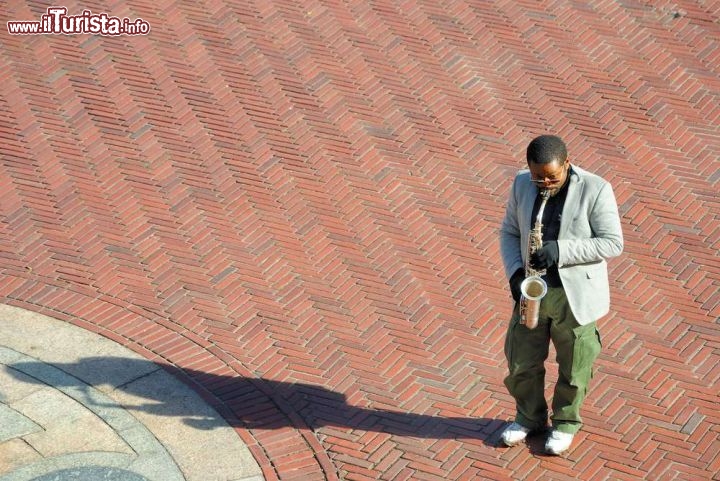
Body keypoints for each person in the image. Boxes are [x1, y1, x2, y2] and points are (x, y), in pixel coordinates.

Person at [498, 134, 623, 455]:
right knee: (521, 362)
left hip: (574, 296)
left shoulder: (596, 189)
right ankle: (529, 417)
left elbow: (612, 242)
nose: (544, 183)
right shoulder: (522, 183)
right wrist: (514, 272)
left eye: (552, 176)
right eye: (537, 176)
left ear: (567, 163)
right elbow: (510, 231)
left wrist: (561, 250)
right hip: (533, 291)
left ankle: (565, 423)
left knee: (575, 365)